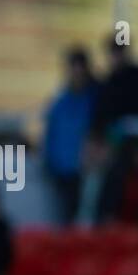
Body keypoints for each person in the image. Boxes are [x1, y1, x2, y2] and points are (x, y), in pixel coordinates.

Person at [42, 48, 95, 223]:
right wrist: (49, 162)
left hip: (85, 172)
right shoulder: (60, 102)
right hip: (61, 171)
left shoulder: (94, 101)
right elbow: (50, 135)